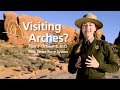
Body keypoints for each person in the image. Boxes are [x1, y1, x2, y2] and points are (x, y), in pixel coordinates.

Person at [68, 12, 120, 79]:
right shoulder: (76, 47)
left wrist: (99, 65)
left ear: (95, 28)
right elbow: (70, 70)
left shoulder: (103, 45)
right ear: (81, 28)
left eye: (90, 25)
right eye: (84, 25)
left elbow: (115, 67)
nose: (87, 28)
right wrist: (75, 66)